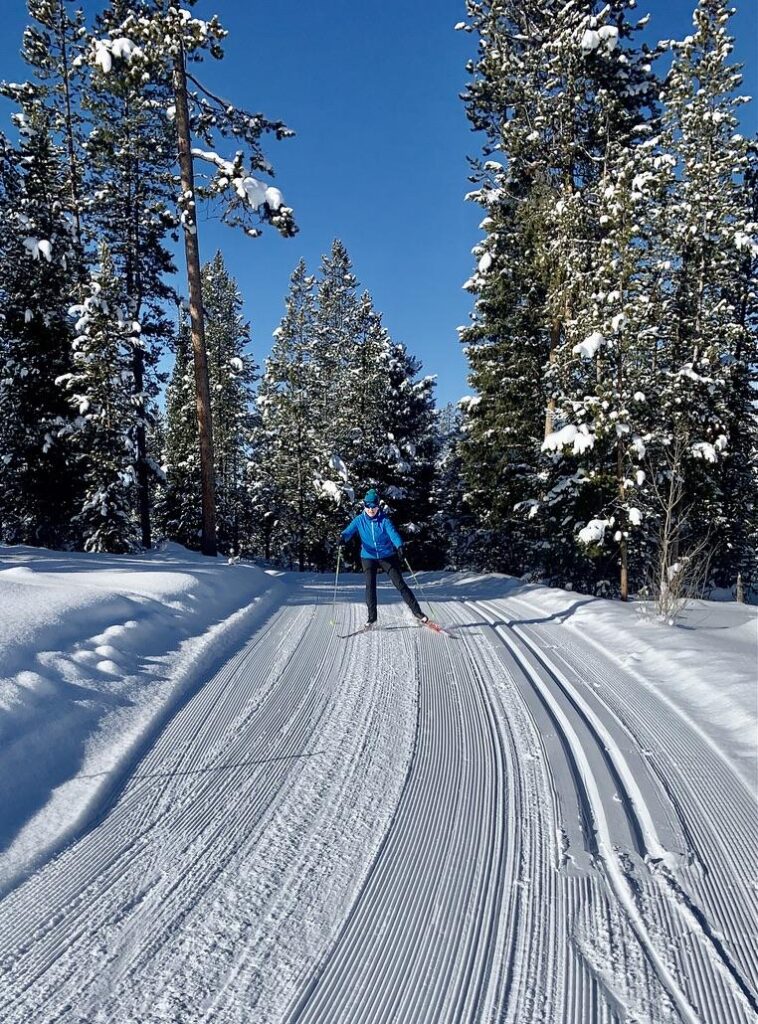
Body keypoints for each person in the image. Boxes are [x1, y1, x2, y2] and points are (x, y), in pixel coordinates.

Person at [339, 488, 428, 629]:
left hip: (387, 556)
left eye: (374, 506)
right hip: (368, 557)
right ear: (364, 506)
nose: (371, 509)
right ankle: (371, 619)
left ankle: (417, 612)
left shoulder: (384, 520)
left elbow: (393, 534)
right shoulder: (359, 520)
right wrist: (343, 537)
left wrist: (399, 546)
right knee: (370, 586)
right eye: (368, 506)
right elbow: (348, 531)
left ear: (378, 506)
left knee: (400, 584)